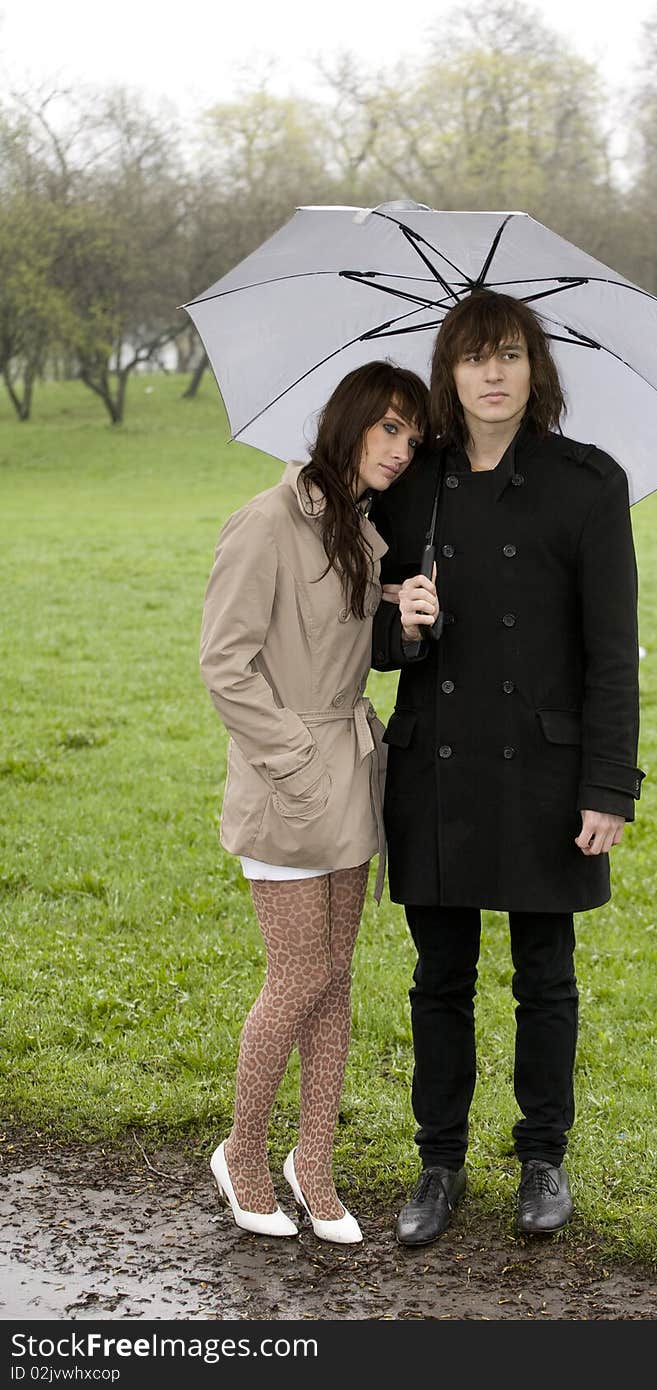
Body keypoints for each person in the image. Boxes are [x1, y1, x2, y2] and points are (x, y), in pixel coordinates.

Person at [371, 290, 644, 1244]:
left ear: (537, 369)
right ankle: (436, 1165)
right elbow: (357, 631)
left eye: (512, 355)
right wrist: (395, 624)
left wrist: (609, 786)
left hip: (542, 770)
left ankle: (542, 1162)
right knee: (438, 978)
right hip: (435, 773)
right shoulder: (410, 485)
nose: (494, 374)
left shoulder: (588, 483)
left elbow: (613, 651)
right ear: (450, 372)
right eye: (475, 357)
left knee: (545, 975)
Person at [199, 359, 429, 1243]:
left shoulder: (358, 530)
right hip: (287, 782)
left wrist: (397, 600)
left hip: (350, 777)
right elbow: (226, 665)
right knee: (296, 974)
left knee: (334, 980)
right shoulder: (265, 524)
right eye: (390, 428)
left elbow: (347, 637)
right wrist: (293, 759)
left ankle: (315, 1164)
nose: (404, 449)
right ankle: (241, 1154)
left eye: (413, 435)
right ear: (349, 425)